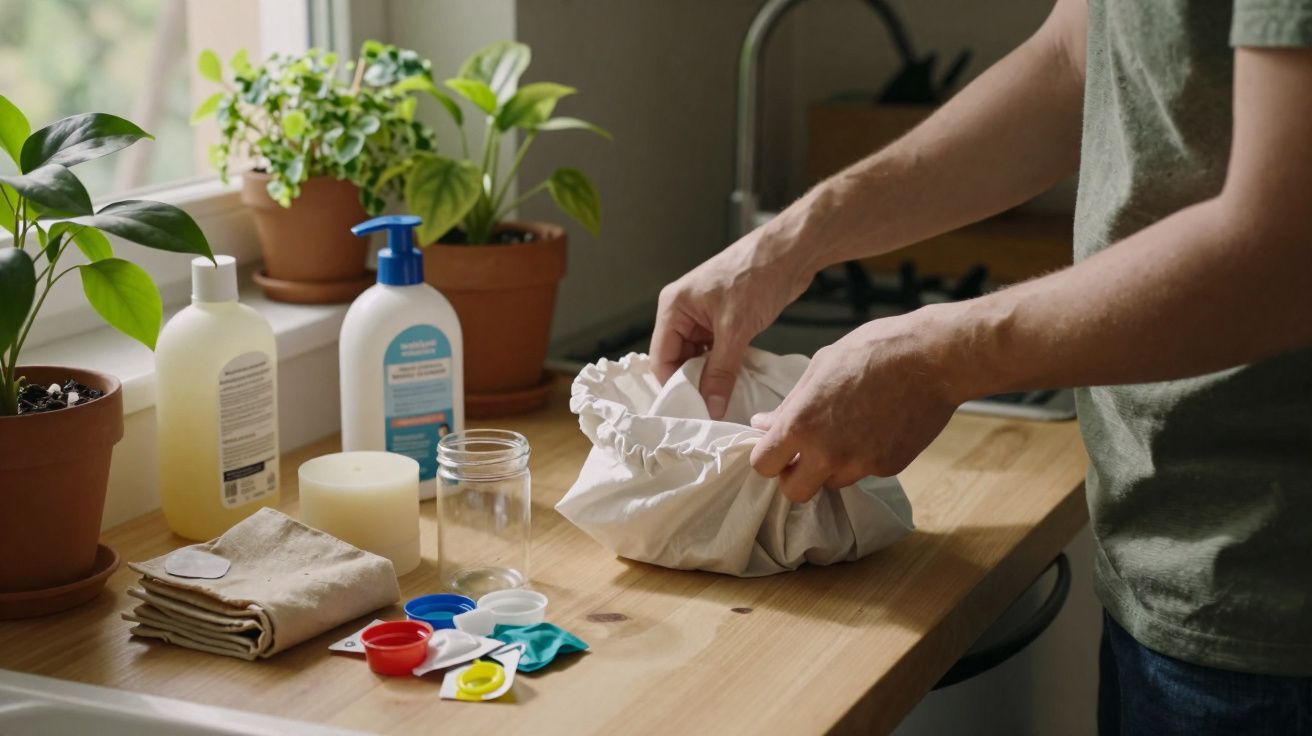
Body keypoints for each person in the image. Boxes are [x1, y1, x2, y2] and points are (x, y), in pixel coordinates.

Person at [651, 0, 1312, 732]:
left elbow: (1286, 247)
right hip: (1166, 563)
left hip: (1278, 604)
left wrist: (938, 358)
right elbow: (1072, 58)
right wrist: (790, 242)